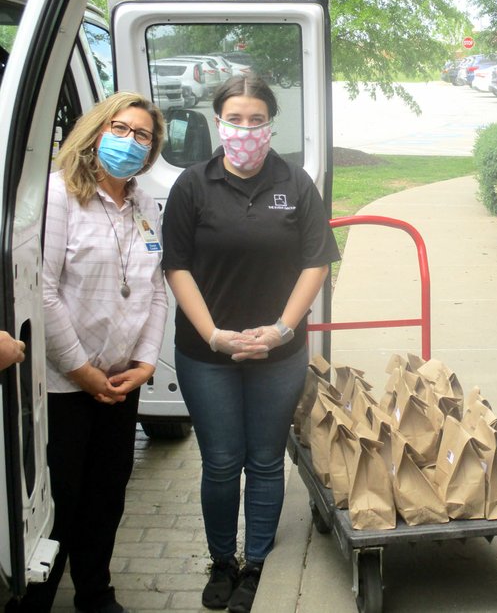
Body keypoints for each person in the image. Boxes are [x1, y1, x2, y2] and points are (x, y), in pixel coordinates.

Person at [161, 75, 339, 613]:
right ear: (218, 122)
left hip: (278, 353)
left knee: (263, 461)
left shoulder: (296, 183)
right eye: (234, 119)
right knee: (219, 461)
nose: (244, 129)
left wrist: (283, 329)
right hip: (205, 353)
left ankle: (257, 562)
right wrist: (214, 334)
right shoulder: (192, 184)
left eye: (255, 120)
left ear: (271, 124)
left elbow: (317, 262)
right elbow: (176, 265)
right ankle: (222, 561)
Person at [7, 92, 168, 613]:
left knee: (108, 493)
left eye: (142, 135)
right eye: (120, 129)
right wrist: (82, 370)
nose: (130, 142)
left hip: (121, 382)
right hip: (62, 384)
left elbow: (156, 289)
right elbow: (43, 289)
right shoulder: (58, 196)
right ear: (95, 132)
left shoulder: (143, 203)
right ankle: (38, 600)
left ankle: (95, 591)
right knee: (62, 502)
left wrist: (144, 363)